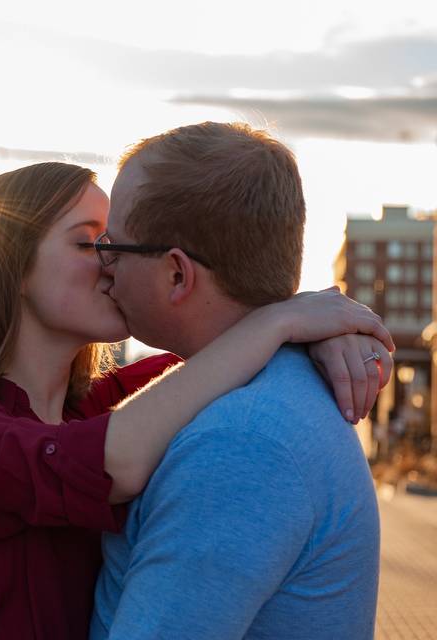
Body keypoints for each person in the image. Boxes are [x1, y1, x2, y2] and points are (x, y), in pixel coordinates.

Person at [0, 162, 392, 639]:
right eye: (89, 243)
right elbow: (115, 462)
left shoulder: (106, 405)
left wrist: (330, 332)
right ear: (9, 263)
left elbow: (220, 348)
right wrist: (282, 321)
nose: (113, 263)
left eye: (117, 243)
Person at [91, 122, 383, 639]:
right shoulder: (263, 395)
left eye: (113, 246)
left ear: (177, 275)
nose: (104, 267)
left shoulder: (240, 443)